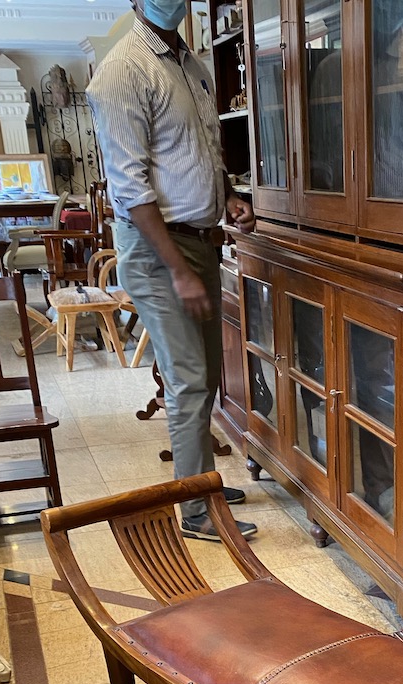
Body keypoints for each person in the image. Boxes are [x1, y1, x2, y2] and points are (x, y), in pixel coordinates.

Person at [87, 0, 257, 541]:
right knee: (188, 381)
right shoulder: (123, 69)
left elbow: (204, 150)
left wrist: (228, 197)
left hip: (199, 243)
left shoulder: (192, 65)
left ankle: (200, 484)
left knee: (205, 375)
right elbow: (129, 188)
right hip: (158, 250)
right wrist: (179, 270)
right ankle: (197, 512)